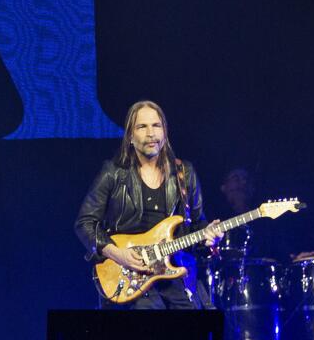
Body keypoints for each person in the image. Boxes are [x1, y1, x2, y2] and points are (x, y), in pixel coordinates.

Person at [74, 100, 220, 312]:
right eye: (142, 127)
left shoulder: (184, 173)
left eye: (156, 125)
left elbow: (197, 226)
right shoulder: (113, 173)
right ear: (130, 136)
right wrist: (117, 254)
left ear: (165, 132)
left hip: (174, 273)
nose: (151, 133)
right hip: (130, 274)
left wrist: (209, 238)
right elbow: (84, 223)